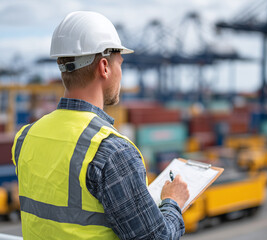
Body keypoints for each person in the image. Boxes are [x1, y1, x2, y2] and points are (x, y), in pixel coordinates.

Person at [12, 11, 190, 239]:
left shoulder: (26, 137)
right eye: (120, 64)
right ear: (104, 67)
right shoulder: (111, 151)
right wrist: (173, 202)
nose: (121, 74)